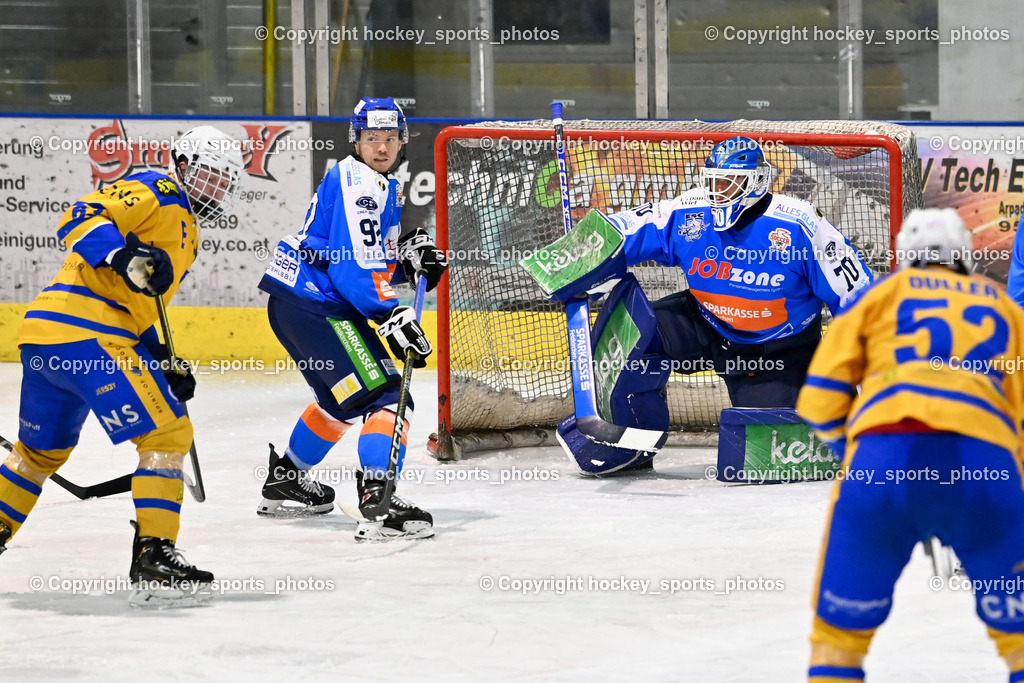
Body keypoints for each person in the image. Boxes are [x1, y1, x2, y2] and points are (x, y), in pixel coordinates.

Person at [0, 125, 245, 606]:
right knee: (167, 435)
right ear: (183, 164)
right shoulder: (158, 188)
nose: (215, 186)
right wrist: (122, 252)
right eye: (209, 174)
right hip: (90, 338)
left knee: (37, 457)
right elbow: (80, 215)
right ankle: (155, 553)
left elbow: (137, 304)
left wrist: (163, 356)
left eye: (225, 180)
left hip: (48, 341)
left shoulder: (189, 233)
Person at [527, 136, 873, 474]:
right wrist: (576, 256)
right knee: (632, 334)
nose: (719, 191)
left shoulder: (802, 225)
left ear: (757, 183)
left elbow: (859, 301)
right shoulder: (689, 211)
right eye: (714, 181)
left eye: (731, 183)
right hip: (704, 323)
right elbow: (627, 227)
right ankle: (631, 444)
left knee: (771, 450)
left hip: (777, 350)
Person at [796, 208, 1024, 682]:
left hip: (882, 461)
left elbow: (818, 402)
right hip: (987, 466)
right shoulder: (1005, 307)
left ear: (905, 254)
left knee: (837, 643)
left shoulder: (878, 295)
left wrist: (856, 457)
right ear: (965, 255)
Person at [257, 97, 447, 541]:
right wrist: (390, 313)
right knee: (383, 397)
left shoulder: (376, 183)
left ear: (401, 142)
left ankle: (287, 481)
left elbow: (360, 258)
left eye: (389, 138)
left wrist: (406, 265)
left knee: (339, 404)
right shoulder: (360, 182)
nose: (381, 147)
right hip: (319, 306)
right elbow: (351, 268)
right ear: (355, 141)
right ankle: (378, 498)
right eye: (371, 138)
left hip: (299, 303)